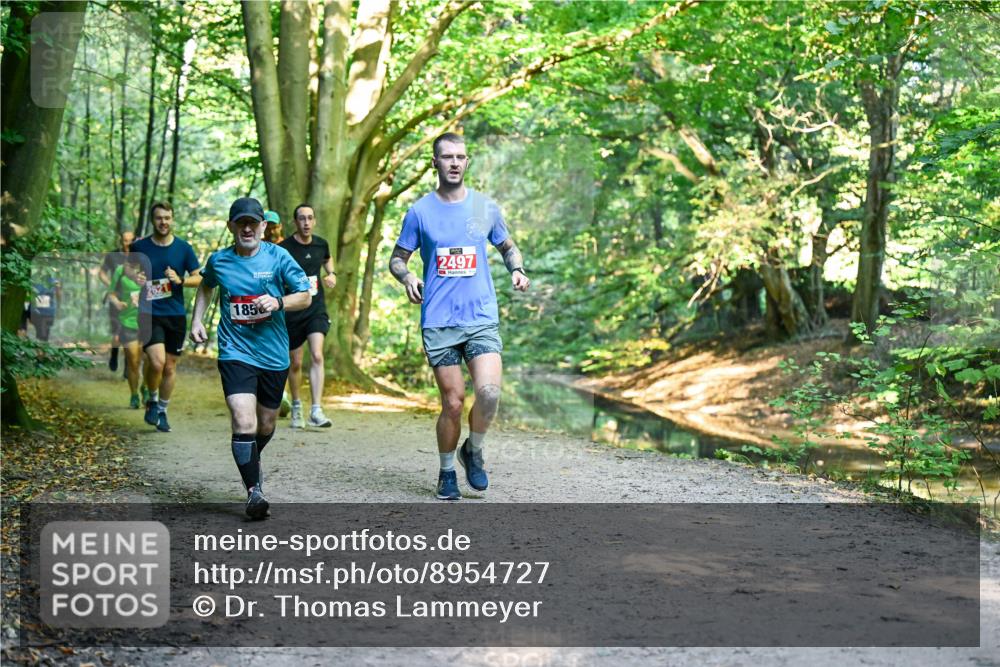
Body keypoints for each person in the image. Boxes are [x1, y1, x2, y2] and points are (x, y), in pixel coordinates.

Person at [389, 132, 530, 500]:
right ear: (435, 162)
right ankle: (447, 471)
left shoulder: (485, 208)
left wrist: (517, 269)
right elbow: (397, 258)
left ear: (467, 162)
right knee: (452, 402)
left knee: (489, 394)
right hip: (439, 321)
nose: (454, 162)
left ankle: (474, 450)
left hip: (480, 316)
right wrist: (407, 277)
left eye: (460, 157)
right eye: (447, 156)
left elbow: (508, 247)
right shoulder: (419, 212)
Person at [190, 197, 311, 519]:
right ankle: (254, 491)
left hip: (273, 354)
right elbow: (206, 286)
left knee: (266, 423)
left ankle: (251, 462)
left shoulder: (278, 256)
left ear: (263, 226)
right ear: (231, 226)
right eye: (241, 223)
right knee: (244, 420)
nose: (247, 229)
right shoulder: (219, 260)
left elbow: (305, 296)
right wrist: (197, 320)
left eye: (253, 223)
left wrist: (278, 302)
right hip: (235, 351)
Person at [130, 202, 202, 432]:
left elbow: (199, 278)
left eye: (167, 218)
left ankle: (162, 410)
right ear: (153, 220)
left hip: (175, 314)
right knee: (157, 361)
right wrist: (136, 278)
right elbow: (128, 270)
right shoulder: (139, 247)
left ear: (172, 219)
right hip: (149, 312)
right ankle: (151, 398)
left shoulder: (183, 248)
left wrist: (180, 280)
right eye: (159, 218)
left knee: (169, 367)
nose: (163, 222)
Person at [279, 204, 337, 428]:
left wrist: (331, 274)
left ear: (314, 221)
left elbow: (327, 259)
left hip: (315, 309)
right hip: (293, 311)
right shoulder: (284, 248)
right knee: (295, 363)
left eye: (310, 218)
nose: (306, 222)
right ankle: (296, 406)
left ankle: (316, 410)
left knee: (317, 355)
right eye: (302, 218)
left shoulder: (321, 244)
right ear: (295, 222)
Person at [107, 255, 149, 408]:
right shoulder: (121, 270)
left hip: (149, 322)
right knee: (133, 361)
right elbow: (111, 293)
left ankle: (145, 386)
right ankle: (134, 395)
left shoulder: (151, 268)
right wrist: (117, 303)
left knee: (150, 359)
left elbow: (164, 290)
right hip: (128, 322)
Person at [99, 230, 135, 371]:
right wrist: (111, 285)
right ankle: (114, 355)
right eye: (125, 241)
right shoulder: (112, 255)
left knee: (129, 334)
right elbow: (102, 273)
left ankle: (127, 365)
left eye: (131, 241)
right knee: (117, 335)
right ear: (121, 242)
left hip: (133, 300)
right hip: (116, 299)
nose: (128, 244)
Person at [29, 276, 61, 342]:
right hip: (47, 312)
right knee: (43, 334)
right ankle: (41, 345)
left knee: (41, 334)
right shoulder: (55, 281)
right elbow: (58, 295)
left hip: (40, 311)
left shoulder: (34, 279)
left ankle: (41, 345)